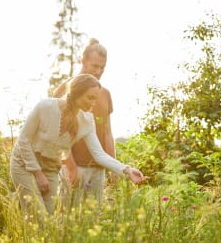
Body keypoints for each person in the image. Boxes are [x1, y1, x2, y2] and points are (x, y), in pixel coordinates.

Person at [10, 74, 144, 220]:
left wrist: (127, 169)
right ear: (76, 93)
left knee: (48, 221)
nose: (93, 103)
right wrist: (38, 173)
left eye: (95, 99)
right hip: (24, 163)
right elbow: (23, 140)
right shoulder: (45, 107)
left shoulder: (86, 120)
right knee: (37, 217)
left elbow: (99, 154)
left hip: (51, 168)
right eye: (90, 98)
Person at [52, 38, 116, 206]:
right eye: (95, 66)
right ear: (83, 61)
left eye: (102, 67)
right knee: (66, 219)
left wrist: (114, 167)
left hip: (98, 168)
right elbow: (56, 132)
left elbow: (107, 132)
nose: (99, 71)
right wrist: (71, 168)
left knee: (93, 221)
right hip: (73, 167)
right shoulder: (65, 89)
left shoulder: (105, 94)